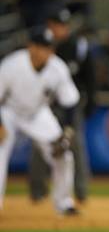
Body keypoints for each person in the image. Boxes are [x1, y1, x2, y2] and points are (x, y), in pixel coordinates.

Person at [0, 27, 79, 215]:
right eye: (42, 46)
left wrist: (67, 131)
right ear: (31, 47)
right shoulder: (12, 65)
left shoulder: (57, 67)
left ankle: (64, 203)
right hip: (9, 112)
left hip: (38, 113)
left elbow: (70, 102)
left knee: (64, 155)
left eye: (49, 47)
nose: (46, 51)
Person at [28, 8, 95, 203]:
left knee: (75, 145)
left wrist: (91, 101)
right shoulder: (43, 46)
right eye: (56, 24)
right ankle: (38, 192)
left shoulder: (79, 46)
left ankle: (81, 192)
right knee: (39, 147)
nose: (59, 29)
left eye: (63, 25)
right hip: (46, 104)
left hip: (71, 104)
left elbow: (89, 78)